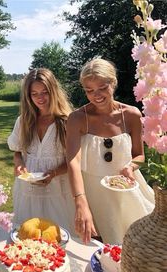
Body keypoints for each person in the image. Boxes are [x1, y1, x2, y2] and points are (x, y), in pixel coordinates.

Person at [66, 58, 155, 245]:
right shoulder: (77, 119)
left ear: (113, 83)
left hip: (125, 190)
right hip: (92, 193)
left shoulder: (131, 115)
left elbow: (139, 156)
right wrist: (80, 201)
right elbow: (72, 161)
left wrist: (130, 167)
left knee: (137, 245)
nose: (95, 95)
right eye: (89, 90)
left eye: (101, 88)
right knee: (99, 249)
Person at [7, 68, 76, 235]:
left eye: (45, 92)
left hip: (58, 189)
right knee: (26, 234)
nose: (40, 98)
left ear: (54, 91)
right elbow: (17, 151)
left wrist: (53, 173)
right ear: (28, 96)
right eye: (34, 93)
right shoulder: (24, 121)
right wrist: (19, 164)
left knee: (57, 235)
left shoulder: (67, 121)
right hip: (27, 190)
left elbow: (74, 160)